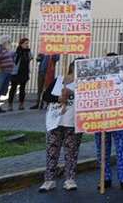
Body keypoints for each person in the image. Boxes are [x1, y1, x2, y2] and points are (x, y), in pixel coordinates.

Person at [39, 62, 80, 192]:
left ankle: (70, 179)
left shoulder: (84, 84)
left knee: (71, 153)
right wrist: (59, 98)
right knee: (52, 152)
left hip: (72, 123)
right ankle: (49, 180)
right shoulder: (58, 80)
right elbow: (45, 96)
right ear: (72, 68)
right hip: (55, 121)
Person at [94, 56, 123, 192]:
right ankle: (105, 178)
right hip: (100, 118)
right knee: (102, 151)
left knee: (121, 150)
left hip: (118, 118)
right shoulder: (96, 78)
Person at [8, 37, 32, 111]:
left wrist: (28, 52)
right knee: (13, 88)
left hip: (24, 72)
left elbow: (31, 58)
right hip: (16, 72)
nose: (27, 45)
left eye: (28, 43)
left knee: (22, 89)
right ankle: (10, 105)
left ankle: (21, 104)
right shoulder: (16, 52)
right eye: (25, 43)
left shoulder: (28, 52)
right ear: (21, 44)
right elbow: (12, 60)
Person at [0, 35, 14, 113]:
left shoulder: (5, 49)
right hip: (1, 72)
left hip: (7, 72)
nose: (10, 43)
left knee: (1, 90)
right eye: (9, 42)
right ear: (5, 42)